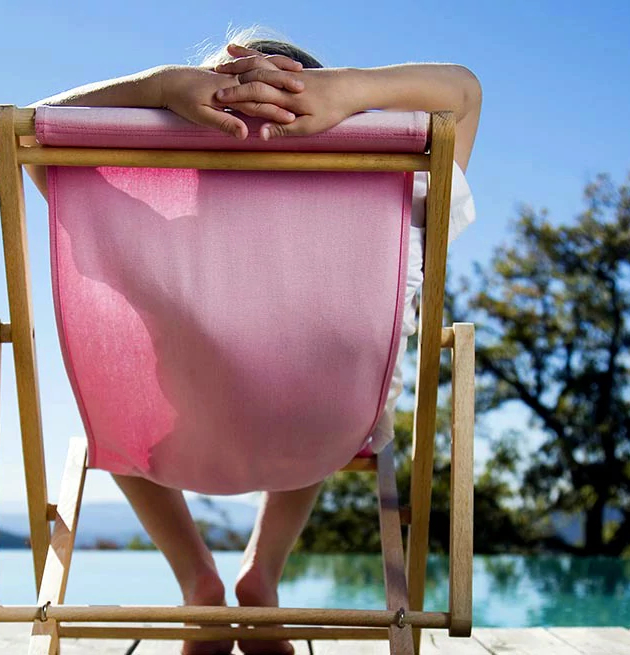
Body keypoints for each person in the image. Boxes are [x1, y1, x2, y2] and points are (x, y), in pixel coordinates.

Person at [24, 29, 480, 655]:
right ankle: (260, 576)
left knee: (117, 418)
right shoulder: (396, 210)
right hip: (330, 432)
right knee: (316, 384)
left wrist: (158, 88)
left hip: (175, 439)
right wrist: (351, 91)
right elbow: (465, 92)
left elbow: (34, 134)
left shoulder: (149, 235)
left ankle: (197, 581)